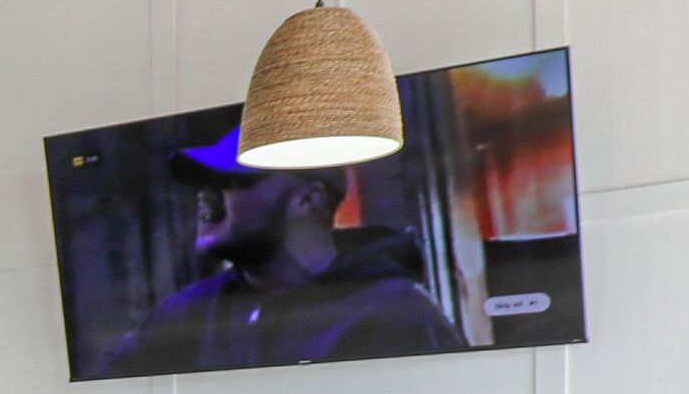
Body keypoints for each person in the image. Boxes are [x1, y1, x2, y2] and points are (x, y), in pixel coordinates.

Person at [96, 138, 466, 377]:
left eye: (231, 181)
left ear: (307, 200)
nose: (204, 198)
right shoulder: (178, 315)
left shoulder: (394, 312)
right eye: (203, 184)